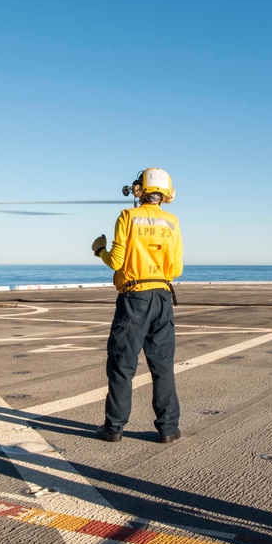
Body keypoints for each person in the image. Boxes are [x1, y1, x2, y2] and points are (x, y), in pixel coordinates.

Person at [91, 167, 183, 444]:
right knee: (162, 365)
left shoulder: (127, 216)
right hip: (163, 295)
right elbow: (176, 268)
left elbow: (116, 262)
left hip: (134, 297)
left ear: (140, 189)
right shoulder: (172, 221)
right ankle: (168, 428)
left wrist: (99, 250)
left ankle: (114, 427)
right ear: (166, 193)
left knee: (122, 363)